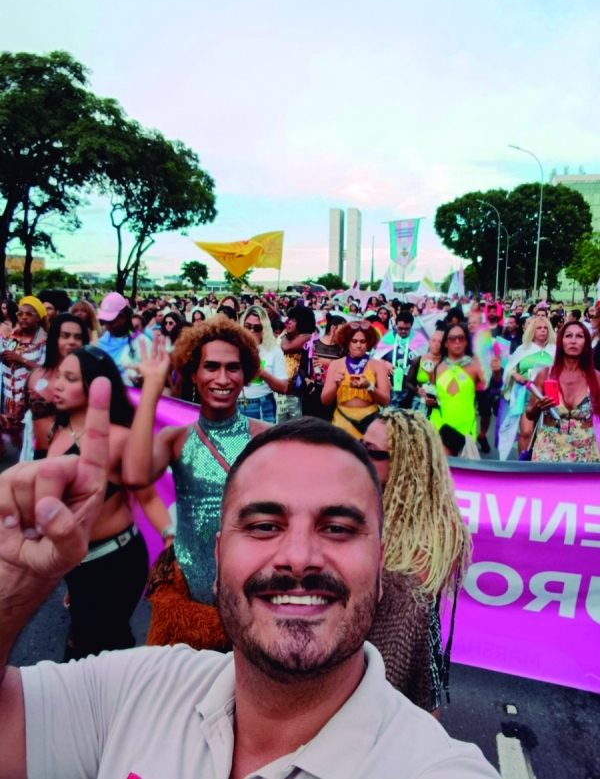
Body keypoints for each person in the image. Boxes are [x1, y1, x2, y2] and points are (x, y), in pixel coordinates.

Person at [0, 409, 500, 779]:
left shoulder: (430, 765)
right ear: (217, 559)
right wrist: (9, 590)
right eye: (263, 525)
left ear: (380, 561)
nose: (299, 556)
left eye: (339, 528)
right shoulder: (136, 690)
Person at [121, 317, 270, 650]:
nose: (222, 378)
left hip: (251, 597)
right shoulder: (175, 439)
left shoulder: (266, 438)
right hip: (188, 600)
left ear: (245, 374)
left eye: (233, 368)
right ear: (192, 373)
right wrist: (152, 389)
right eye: (211, 367)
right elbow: (135, 476)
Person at [48, 346, 165, 660]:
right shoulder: (57, 431)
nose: (57, 384)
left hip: (116, 562)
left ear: (96, 386)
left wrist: (172, 540)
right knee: (104, 645)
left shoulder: (120, 438)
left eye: (70, 378)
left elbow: (148, 495)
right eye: (58, 375)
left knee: (88, 648)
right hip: (77, 565)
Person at [364, 409, 472, 714]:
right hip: (355, 641)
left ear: (405, 461)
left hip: (409, 645)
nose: (361, 456)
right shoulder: (357, 497)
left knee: (413, 733)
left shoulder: (440, 526)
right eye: (360, 445)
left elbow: (412, 597)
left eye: (371, 451)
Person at [526, 321, 600, 462]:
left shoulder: (595, 377)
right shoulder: (545, 373)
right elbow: (529, 414)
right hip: (548, 449)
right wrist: (538, 407)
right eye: (568, 336)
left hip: (585, 452)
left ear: (586, 342)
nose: (573, 341)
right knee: (545, 485)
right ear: (561, 341)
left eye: (579, 336)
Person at [21, 314, 89, 460]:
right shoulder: (34, 377)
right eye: (65, 336)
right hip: (40, 456)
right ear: (54, 339)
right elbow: (20, 415)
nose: (72, 342)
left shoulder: (90, 380)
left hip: (76, 458)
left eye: (78, 337)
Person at [499, 317, 556, 459]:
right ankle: (523, 465)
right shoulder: (523, 349)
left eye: (545, 328)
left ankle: (537, 461)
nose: (543, 331)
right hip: (526, 395)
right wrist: (515, 375)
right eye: (539, 328)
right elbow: (509, 368)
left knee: (543, 433)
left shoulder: (555, 350)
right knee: (526, 432)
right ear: (532, 330)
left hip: (548, 397)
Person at [321, 321, 390, 438]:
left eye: (363, 341)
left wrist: (369, 387)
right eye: (354, 341)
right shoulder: (336, 365)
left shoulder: (378, 366)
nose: (358, 345)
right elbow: (325, 401)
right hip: (342, 422)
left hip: (369, 423)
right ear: (347, 342)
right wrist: (336, 385)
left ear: (369, 343)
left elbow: (385, 401)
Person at [0, 297, 48, 451]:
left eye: (29, 314)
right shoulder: (9, 339)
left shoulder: (45, 341)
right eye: (20, 314)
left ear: (38, 317)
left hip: (31, 402)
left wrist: (20, 360)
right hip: (9, 400)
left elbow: (46, 371)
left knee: (32, 446)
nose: (23, 318)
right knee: (16, 445)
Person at [430, 324, 488, 440]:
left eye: (461, 338)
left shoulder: (475, 367)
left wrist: (496, 373)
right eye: (452, 338)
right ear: (446, 343)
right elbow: (434, 396)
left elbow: (494, 390)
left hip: (465, 429)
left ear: (466, 342)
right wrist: (428, 400)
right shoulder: (437, 368)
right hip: (439, 427)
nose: (457, 341)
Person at [238, 306, 287, 423]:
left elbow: (283, 388)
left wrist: (262, 373)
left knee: (262, 441)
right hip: (236, 405)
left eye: (257, 328)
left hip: (263, 406)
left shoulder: (274, 351)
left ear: (264, 329)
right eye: (248, 326)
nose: (251, 331)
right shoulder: (234, 348)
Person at [96, 291, 152, 386]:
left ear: (124, 318)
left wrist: (143, 378)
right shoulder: (99, 343)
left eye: (111, 322)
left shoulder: (140, 342)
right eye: (104, 321)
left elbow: (152, 375)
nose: (107, 326)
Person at [375, 311, 420, 409]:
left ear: (411, 326)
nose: (403, 331)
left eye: (406, 329)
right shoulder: (388, 337)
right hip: (390, 383)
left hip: (410, 385)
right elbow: (375, 359)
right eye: (400, 328)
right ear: (396, 325)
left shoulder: (418, 339)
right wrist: (384, 362)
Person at [279, 305, 317, 421]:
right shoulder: (292, 337)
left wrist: (285, 334)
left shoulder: (307, 337)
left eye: (293, 320)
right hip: (284, 391)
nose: (289, 322)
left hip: (296, 393)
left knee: (294, 427)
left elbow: (286, 347)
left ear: (302, 322)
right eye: (289, 319)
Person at [404, 328, 444, 417]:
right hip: (418, 404)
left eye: (440, 342)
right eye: (434, 341)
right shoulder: (418, 360)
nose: (436, 344)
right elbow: (407, 382)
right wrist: (417, 390)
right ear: (429, 342)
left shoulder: (446, 363)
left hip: (439, 405)